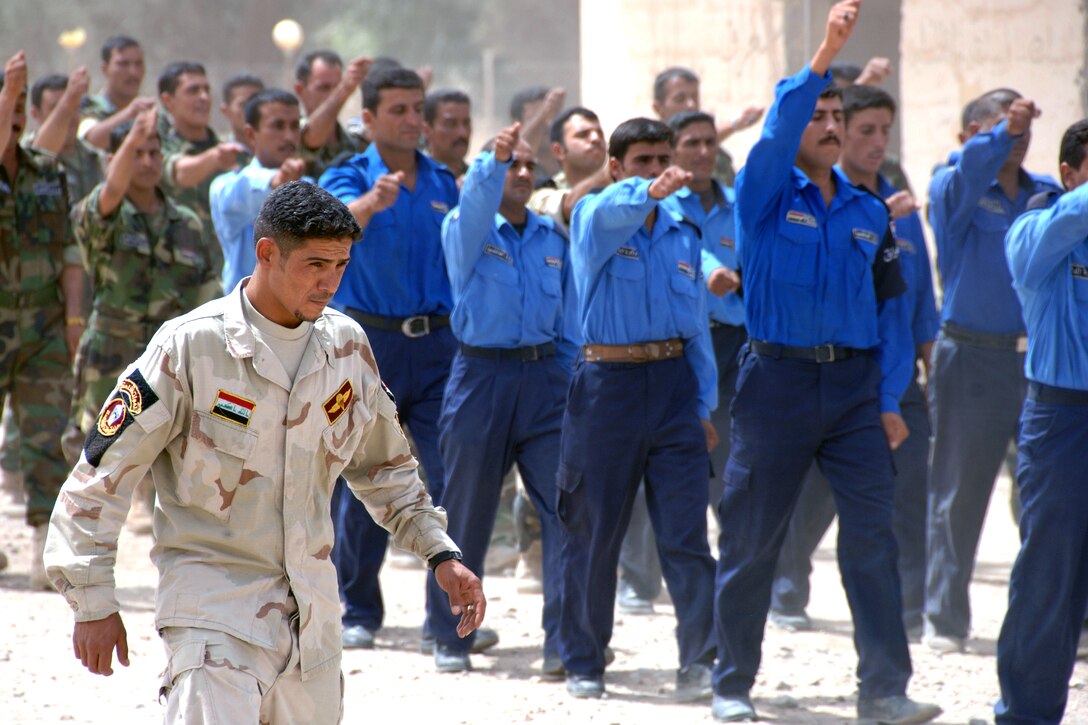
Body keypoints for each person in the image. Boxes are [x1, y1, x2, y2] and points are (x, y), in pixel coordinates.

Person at [43, 180, 486, 723]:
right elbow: (101, 474)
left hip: (312, 629)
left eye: (341, 265)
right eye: (315, 264)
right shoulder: (191, 346)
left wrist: (440, 554)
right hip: (214, 618)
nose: (330, 282)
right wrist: (92, 601)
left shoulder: (345, 347)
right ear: (267, 253)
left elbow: (385, 467)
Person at [710, 3, 940, 723]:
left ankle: (885, 688)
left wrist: (890, 399)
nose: (831, 125)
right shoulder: (764, 192)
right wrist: (824, 54)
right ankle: (731, 684)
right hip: (775, 382)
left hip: (853, 390)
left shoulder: (870, 213)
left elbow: (892, 316)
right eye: (820, 115)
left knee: (872, 539)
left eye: (839, 114)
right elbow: (777, 132)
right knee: (752, 539)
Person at [768, 85, 940, 642]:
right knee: (814, 495)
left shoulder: (900, 210)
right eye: (865, 129)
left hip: (899, 375)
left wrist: (928, 364)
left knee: (908, 494)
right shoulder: (820, 203)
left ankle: (908, 612)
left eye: (884, 131)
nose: (876, 141)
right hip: (840, 374)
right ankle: (787, 589)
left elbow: (917, 299)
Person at [558, 116, 717, 702]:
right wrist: (646, 190)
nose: (656, 170)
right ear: (616, 167)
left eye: (662, 159)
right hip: (608, 388)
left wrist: (703, 405)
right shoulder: (594, 216)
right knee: (593, 531)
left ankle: (700, 660)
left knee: (686, 535)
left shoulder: (682, 230)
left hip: (674, 387)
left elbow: (695, 325)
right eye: (642, 161)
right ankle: (584, 659)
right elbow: (611, 209)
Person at [320, 66, 478, 652]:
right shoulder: (349, 174)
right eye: (399, 110)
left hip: (438, 347)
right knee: (366, 475)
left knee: (450, 473)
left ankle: (451, 616)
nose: (414, 120)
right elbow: (329, 230)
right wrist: (370, 203)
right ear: (368, 118)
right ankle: (359, 608)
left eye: (418, 109)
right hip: (369, 346)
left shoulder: (443, 181)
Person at [426, 122, 576, 675]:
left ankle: (565, 645)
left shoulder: (552, 238)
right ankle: (451, 637)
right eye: (511, 164)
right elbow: (475, 202)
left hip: (543, 381)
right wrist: (493, 159)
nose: (522, 172)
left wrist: (569, 383)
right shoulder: (466, 228)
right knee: (466, 513)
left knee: (565, 509)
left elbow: (569, 322)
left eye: (529, 165)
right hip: (480, 379)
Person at [924, 88, 1060, 654]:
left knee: (1047, 493)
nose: (1016, 137)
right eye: (1001, 126)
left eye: (1022, 127)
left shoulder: (1045, 195)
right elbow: (969, 170)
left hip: (1038, 361)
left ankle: (1049, 619)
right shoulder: (952, 187)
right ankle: (945, 619)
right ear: (971, 136)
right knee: (959, 493)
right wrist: (1003, 134)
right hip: (971, 358)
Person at [615, 109, 745, 614]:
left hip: (730, 347)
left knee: (726, 461)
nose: (703, 152)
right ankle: (639, 580)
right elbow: (694, 259)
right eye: (692, 143)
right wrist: (711, 275)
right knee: (650, 464)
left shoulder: (736, 205)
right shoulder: (661, 204)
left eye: (710, 142)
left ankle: (730, 574)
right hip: (671, 347)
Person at [64, 106, 220, 468]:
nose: (147, 162)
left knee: (168, 454)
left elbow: (205, 290)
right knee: (100, 455)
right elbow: (111, 190)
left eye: (154, 153)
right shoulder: (105, 214)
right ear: (113, 160)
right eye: (137, 153)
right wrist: (133, 133)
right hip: (111, 352)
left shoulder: (187, 223)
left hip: (168, 357)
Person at [996, 117, 1088, 725]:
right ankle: (1026, 714)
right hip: (1063, 420)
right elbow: (1032, 253)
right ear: (1069, 175)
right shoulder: (1036, 231)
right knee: (1050, 574)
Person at [0, 51, 84, 589]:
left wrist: (74, 318)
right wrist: (9, 90)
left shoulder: (48, 172)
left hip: (43, 327)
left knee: (48, 436)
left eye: (18, 111)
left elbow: (70, 250)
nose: (13, 120)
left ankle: (43, 548)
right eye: (6, 110)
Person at [158, 61, 246, 290]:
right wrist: (215, 158)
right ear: (168, 100)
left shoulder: (231, 152)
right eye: (193, 90)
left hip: (222, 278)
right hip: (172, 279)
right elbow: (179, 173)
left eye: (206, 90)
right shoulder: (155, 149)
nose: (204, 97)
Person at [211, 88, 308, 292]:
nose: (289, 136)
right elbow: (246, 189)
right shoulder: (225, 186)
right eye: (278, 126)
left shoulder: (310, 186)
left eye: (295, 126)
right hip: (245, 309)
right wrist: (276, 182)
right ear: (250, 134)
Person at [651, 66, 764, 187]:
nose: (691, 105)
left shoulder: (715, 155)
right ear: (658, 108)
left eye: (695, 97)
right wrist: (734, 124)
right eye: (680, 99)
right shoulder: (649, 156)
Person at [527, 106, 610, 233]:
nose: (596, 139)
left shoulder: (619, 186)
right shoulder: (541, 190)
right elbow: (570, 206)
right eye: (583, 135)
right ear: (558, 150)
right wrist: (611, 171)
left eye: (600, 134)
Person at [30, 68, 105, 203]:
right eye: (57, 109)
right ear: (35, 114)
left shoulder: (96, 158)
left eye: (74, 107)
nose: (67, 115)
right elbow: (40, 153)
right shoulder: (25, 156)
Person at [294, 50, 370, 179]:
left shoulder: (355, 142)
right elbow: (310, 139)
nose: (333, 94)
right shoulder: (289, 136)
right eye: (324, 88)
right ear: (300, 90)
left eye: (337, 87)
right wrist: (345, 88)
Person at [79, 35, 156, 151]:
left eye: (138, 64)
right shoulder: (88, 105)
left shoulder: (151, 112)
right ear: (105, 69)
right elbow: (89, 141)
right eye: (123, 64)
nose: (133, 72)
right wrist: (130, 112)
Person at [423, 88, 472, 181]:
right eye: (451, 124)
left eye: (466, 123)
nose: (462, 133)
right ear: (427, 130)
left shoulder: (478, 180)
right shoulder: (414, 180)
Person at [218, 72, 265, 166]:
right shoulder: (220, 156)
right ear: (226, 111)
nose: (251, 110)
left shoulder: (278, 153)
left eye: (256, 104)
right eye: (243, 105)